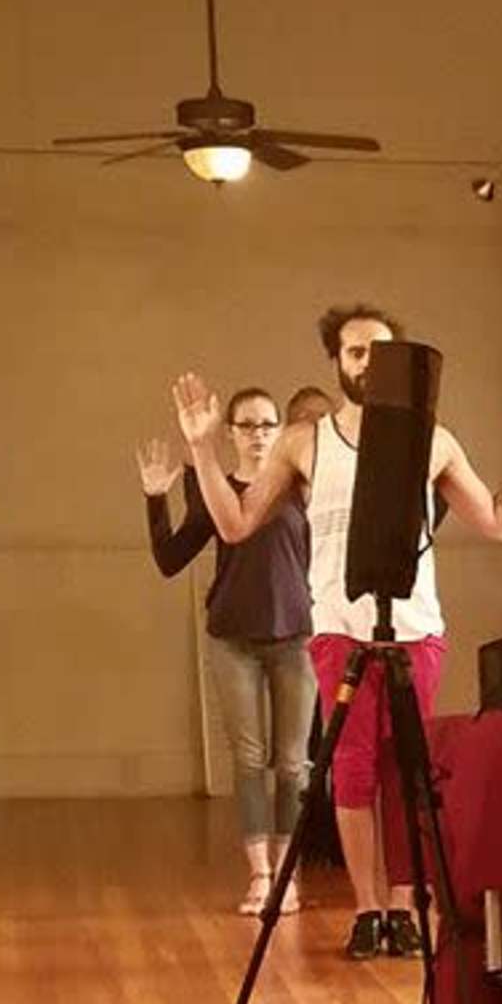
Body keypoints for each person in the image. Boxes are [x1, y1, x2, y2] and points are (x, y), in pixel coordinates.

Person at [171, 305, 502, 959]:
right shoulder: (303, 440)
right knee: (351, 772)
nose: (368, 363)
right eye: (354, 352)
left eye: (380, 350)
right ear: (336, 362)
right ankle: (368, 910)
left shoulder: (433, 438)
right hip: (339, 627)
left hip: (415, 628)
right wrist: (202, 448)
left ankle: (404, 909)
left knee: (406, 773)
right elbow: (235, 524)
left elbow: (499, 522)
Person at [139, 385, 311, 916]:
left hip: (297, 637)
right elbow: (171, 559)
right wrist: (154, 498)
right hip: (232, 637)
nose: (258, 435)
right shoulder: (212, 487)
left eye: (266, 424)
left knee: (292, 763)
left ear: (280, 430)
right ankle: (260, 875)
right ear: (229, 432)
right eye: (247, 425)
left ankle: (287, 874)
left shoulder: (302, 488)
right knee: (250, 758)